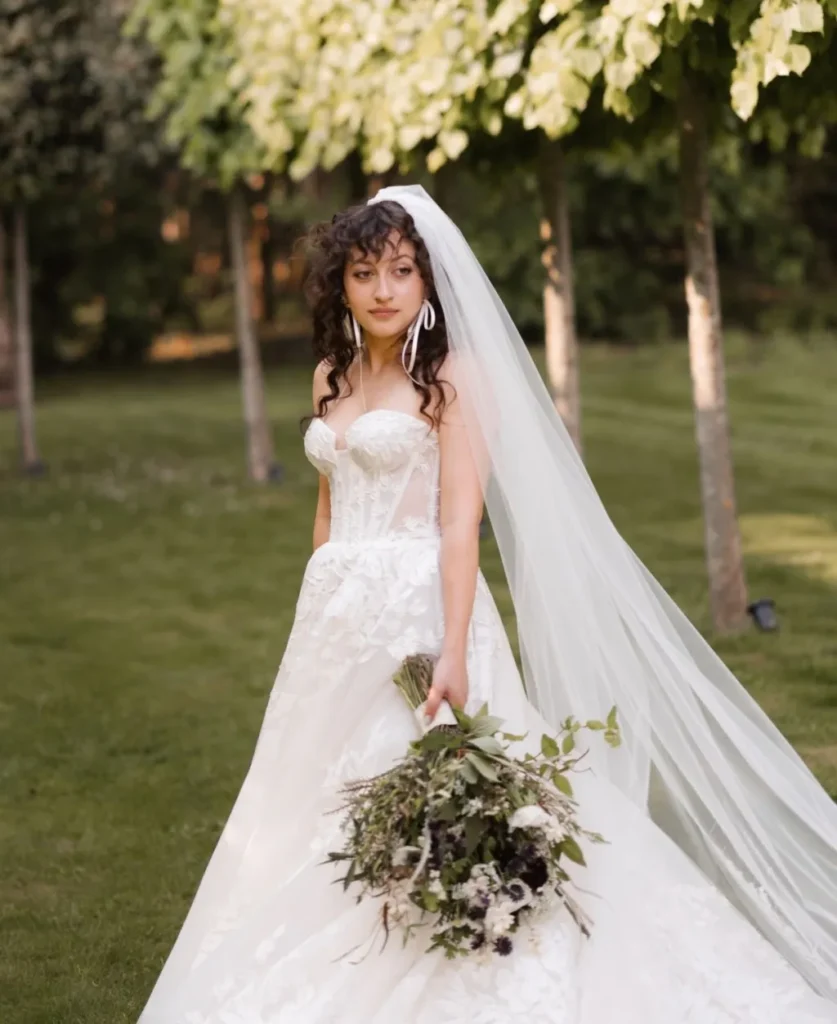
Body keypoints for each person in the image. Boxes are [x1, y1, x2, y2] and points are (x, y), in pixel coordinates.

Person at [137, 186, 837, 1023]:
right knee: (308, 793)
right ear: (342, 283)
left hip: (421, 608)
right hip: (334, 617)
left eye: (402, 271)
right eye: (365, 272)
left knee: (421, 777)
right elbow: (327, 512)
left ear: (429, 283)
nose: (385, 289)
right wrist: (317, 610)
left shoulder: (453, 381)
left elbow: (459, 522)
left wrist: (456, 649)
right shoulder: (332, 373)